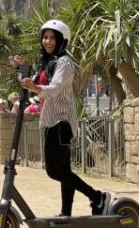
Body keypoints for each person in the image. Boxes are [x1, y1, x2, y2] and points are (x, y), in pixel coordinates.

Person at [18, 19, 112, 217]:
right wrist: (22, 70)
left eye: (52, 38)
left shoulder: (64, 62)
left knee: (54, 171)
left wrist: (36, 88)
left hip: (61, 122)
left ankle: (97, 197)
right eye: (45, 37)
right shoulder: (47, 63)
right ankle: (66, 212)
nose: (48, 41)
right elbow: (33, 83)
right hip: (51, 121)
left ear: (61, 40)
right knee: (64, 170)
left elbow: (54, 88)